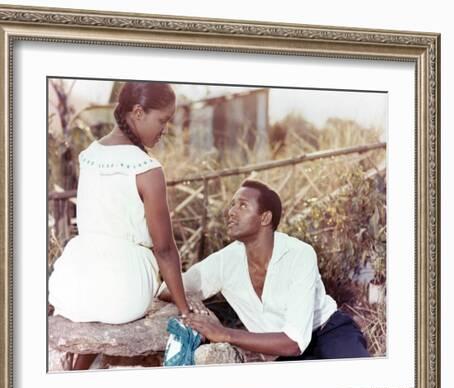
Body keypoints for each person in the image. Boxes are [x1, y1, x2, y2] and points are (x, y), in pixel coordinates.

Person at [48, 82, 196, 369]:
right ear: (138, 112)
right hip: (123, 292)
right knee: (122, 280)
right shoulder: (147, 169)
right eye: (162, 120)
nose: (164, 129)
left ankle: (76, 374)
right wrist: (184, 309)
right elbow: (164, 249)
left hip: (73, 285)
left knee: (100, 289)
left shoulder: (89, 155)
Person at [159, 179, 369, 360]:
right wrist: (193, 304)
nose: (231, 212)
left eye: (242, 206)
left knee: (361, 387)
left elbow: (294, 342)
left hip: (328, 333)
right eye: (232, 205)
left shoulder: (298, 254)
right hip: (281, 355)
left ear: (265, 218)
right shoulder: (225, 261)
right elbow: (167, 289)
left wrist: (224, 333)